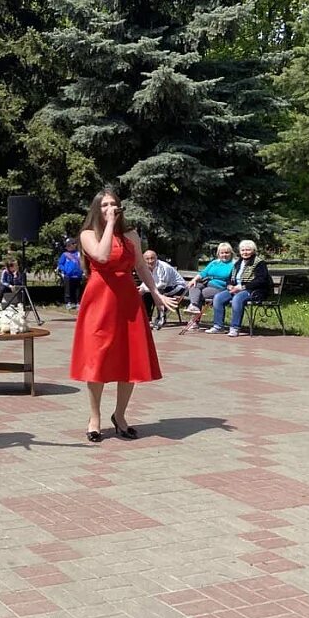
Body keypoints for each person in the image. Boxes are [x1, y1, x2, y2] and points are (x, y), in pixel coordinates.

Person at [71, 188, 178, 442]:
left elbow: (140, 265)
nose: (110, 208)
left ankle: (119, 415)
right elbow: (102, 255)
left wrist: (155, 292)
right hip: (100, 300)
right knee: (98, 358)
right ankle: (94, 418)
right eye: (105, 205)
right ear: (98, 209)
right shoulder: (88, 234)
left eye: (114, 204)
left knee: (128, 359)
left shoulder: (131, 234)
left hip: (127, 300)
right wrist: (108, 226)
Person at [207, 240, 272, 337]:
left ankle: (235, 328)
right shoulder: (238, 263)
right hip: (236, 289)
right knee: (218, 297)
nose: (245, 252)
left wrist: (242, 287)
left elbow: (261, 280)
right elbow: (230, 278)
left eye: (248, 250)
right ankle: (218, 326)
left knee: (237, 299)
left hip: (254, 290)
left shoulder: (259, 263)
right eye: (243, 250)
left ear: (253, 251)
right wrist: (229, 285)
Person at [183, 243, 235, 333]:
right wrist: (194, 279)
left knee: (199, 294)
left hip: (220, 287)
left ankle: (194, 321)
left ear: (231, 253)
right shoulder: (214, 263)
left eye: (227, 252)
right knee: (194, 286)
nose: (224, 255)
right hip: (207, 283)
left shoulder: (233, 264)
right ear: (218, 254)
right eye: (222, 253)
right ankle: (194, 307)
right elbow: (203, 273)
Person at [139, 250, 187, 329]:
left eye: (152, 258)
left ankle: (161, 317)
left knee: (159, 293)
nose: (150, 261)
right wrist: (142, 288)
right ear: (144, 259)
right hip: (163, 288)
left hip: (178, 287)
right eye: (147, 259)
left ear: (156, 258)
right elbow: (146, 281)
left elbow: (163, 284)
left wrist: (148, 289)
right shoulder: (145, 267)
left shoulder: (164, 267)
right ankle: (147, 319)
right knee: (146, 294)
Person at [56, 237, 84, 310]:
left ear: (74, 245)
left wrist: (82, 271)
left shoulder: (79, 254)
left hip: (78, 275)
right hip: (68, 276)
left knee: (78, 290)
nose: (67, 247)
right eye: (66, 245)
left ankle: (78, 303)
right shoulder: (65, 254)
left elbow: (82, 263)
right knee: (68, 290)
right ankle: (68, 303)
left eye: (69, 245)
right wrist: (65, 270)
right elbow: (60, 264)